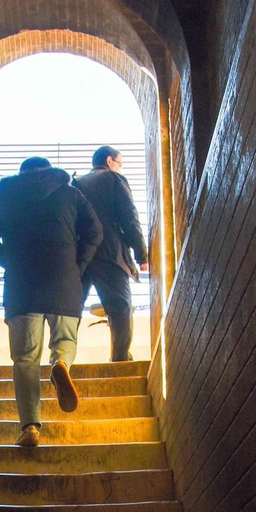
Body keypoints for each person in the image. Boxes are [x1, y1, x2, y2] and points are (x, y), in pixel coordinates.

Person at [0, 156, 102, 446]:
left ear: (21, 174)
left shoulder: (7, 197)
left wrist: (12, 262)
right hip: (64, 280)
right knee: (65, 340)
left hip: (23, 287)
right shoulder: (71, 193)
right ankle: (60, 365)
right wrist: (77, 265)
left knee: (25, 359)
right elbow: (95, 231)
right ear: (50, 171)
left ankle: (30, 427)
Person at [73, 146, 148, 361]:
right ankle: (120, 359)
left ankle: (62, 358)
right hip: (109, 252)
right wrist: (141, 254)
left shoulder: (76, 183)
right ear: (109, 161)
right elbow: (129, 218)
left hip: (80, 255)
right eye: (120, 163)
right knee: (121, 308)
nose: (120, 168)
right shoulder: (115, 180)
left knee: (72, 309)